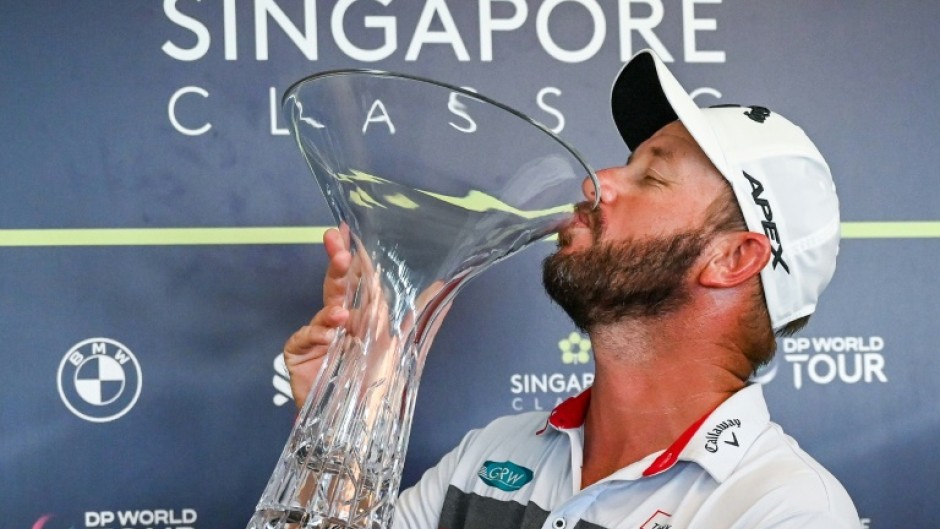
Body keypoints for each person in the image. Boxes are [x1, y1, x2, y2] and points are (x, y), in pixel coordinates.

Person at [282, 50, 860, 529]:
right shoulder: (489, 456)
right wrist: (344, 412)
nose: (595, 182)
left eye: (650, 177)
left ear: (732, 257)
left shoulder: (782, 509)